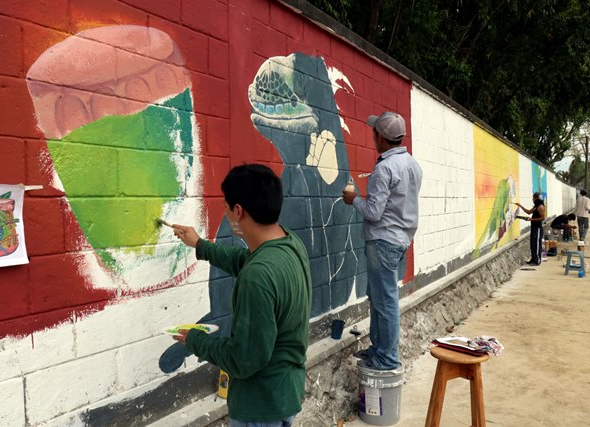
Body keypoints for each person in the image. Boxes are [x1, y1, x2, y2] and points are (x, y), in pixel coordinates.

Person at [171, 164, 311, 426]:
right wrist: (200, 245)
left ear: (238, 211)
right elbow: (243, 260)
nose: (226, 213)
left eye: (226, 207)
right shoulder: (289, 244)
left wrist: (196, 341)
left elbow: (244, 359)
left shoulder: (257, 276)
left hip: (259, 406)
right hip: (284, 394)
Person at [342, 111, 422, 371]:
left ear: (380, 137)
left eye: (374, 132)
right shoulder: (412, 164)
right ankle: (378, 350)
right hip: (400, 241)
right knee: (379, 297)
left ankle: (386, 358)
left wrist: (353, 198)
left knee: (385, 301)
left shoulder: (385, 168)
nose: (372, 135)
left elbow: (373, 213)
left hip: (383, 241)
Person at [515, 192, 546, 266]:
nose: (532, 199)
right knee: (533, 244)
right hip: (534, 227)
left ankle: (537, 260)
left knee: (537, 244)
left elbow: (543, 218)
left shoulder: (540, 207)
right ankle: (533, 259)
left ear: (536, 198)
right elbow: (528, 212)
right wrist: (520, 206)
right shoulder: (536, 206)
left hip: (538, 228)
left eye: (533, 198)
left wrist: (532, 219)